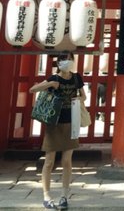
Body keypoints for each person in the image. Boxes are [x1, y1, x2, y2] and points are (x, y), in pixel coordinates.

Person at [29, 52, 86, 210]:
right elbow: (32, 89)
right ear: (58, 63)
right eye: (62, 60)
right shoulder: (54, 78)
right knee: (49, 162)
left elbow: (83, 96)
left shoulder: (76, 78)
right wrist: (49, 84)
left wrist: (77, 100)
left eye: (68, 59)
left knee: (67, 161)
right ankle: (46, 196)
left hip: (70, 122)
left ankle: (64, 195)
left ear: (73, 61)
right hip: (54, 123)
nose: (66, 62)